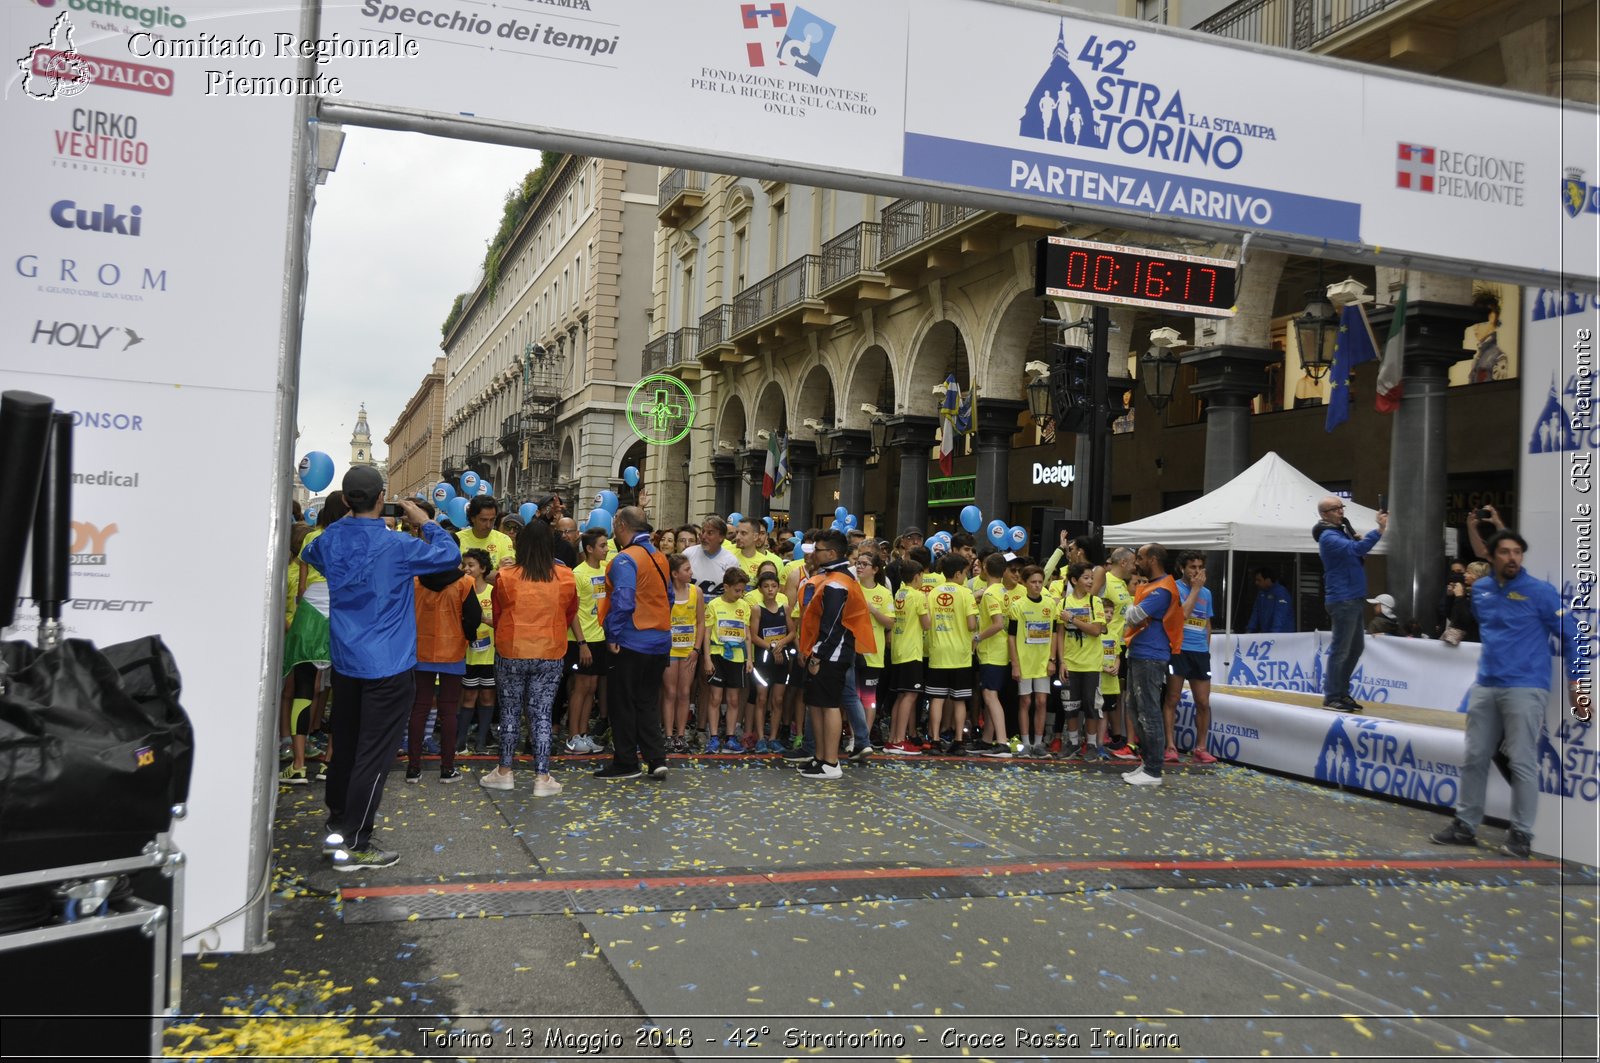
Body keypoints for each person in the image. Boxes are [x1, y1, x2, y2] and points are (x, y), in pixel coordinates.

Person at [302, 467, 460, 872]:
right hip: (387, 665)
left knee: (347, 751)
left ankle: (338, 830)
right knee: (372, 758)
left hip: (347, 661)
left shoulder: (331, 538)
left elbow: (309, 550)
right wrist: (426, 522)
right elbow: (449, 556)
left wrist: (347, 520)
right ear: (381, 498)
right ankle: (354, 843)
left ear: (344, 499)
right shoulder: (397, 545)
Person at [1428, 530, 1587, 858]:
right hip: (1486, 685)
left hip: (1526, 687)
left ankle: (1521, 834)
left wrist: (1578, 688)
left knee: (1522, 761)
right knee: (1474, 757)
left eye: (1518, 552)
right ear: (1493, 557)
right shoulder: (1482, 589)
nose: (1513, 558)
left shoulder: (1541, 592)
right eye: (1506, 552)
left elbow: (1574, 638)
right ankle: (1466, 825)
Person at [478, 520, 578, 797]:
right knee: (542, 714)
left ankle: (504, 771)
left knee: (510, 712)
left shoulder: (506, 577)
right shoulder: (565, 576)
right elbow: (570, 613)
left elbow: (498, 613)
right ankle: (542, 776)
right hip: (549, 651)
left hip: (512, 649)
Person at [595, 506, 674, 781]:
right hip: (660, 640)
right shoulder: (660, 556)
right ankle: (656, 759)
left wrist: (614, 635)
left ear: (621, 525)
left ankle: (626, 761)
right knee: (647, 702)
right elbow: (670, 597)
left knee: (623, 703)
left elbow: (624, 600)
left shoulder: (625, 560)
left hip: (631, 640)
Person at [796, 529, 876, 780]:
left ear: (831, 553)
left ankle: (830, 762)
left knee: (828, 705)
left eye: (817, 549)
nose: (813, 554)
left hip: (832, 654)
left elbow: (832, 625)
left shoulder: (837, 582)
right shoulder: (833, 578)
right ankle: (821, 758)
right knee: (818, 705)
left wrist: (817, 656)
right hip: (825, 652)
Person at [406, 562, 482, 783]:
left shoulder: (415, 580)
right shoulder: (465, 582)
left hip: (421, 649)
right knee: (449, 710)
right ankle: (447, 768)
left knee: (419, 708)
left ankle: (413, 768)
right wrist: (467, 636)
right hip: (453, 649)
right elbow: (473, 617)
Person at [1119, 543, 1185, 788]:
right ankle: (1148, 764)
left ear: (1154, 559)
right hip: (1140, 652)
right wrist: (1133, 611)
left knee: (1148, 710)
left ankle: (1154, 769)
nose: (1137, 562)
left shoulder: (1164, 588)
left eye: (1141, 557)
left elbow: (1132, 616)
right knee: (1135, 707)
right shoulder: (1153, 586)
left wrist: (1130, 609)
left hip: (1151, 655)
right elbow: (1136, 615)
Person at [1314, 496, 1387, 712]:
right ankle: (1332, 696)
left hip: (1351, 597)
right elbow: (1357, 550)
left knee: (1354, 648)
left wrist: (1357, 540)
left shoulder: (1338, 534)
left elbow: (1356, 550)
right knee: (1342, 649)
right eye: (1335, 509)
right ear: (1324, 514)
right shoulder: (1328, 537)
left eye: (1341, 507)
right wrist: (1379, 530)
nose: (1341, 511)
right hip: (1343, 598)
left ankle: (1341, 693)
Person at [1162, 552, 1217, 764]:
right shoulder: (1173, 588)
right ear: (1182, 568)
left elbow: (1206, 622)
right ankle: (1170, 745)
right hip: (1178, 650)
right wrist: (1194, 589)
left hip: (1200, 652)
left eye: (1200, 567)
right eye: (1192, 567)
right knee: (1172, 698)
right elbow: (1182, 615)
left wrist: (1206, 647)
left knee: (1203, 702)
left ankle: (1201, 747)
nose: (1196, 571)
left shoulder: (1208, 594)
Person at [924, 552, 979, 755]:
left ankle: (935, 740)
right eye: (965, 572)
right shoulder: (966, 593)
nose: (965, 576)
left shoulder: (932, 593)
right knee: (959, 699)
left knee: (936, 699)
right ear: (957, 573)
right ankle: (958, 741)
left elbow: (927, 622)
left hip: (938, 652)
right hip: (961, 654)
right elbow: (972, 624)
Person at [564, 528, 612, 754]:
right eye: (602, 546)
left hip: (600, 637)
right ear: (589, 549)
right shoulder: (578, 574)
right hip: (580, 640)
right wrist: (582, 644)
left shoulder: (605, 570)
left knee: (592, 687)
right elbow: (572, 612)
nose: (606, 549)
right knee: (580, 688)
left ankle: (584, 735)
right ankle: (572, 737)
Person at [1055, 561, 1106, 760]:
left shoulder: (1096, 602)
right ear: (1074, 580)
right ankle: (1073, 742)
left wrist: (1073, 620)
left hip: (1092, 664)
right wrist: (1061, 661)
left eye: (1091, 578)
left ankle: (1091, 745)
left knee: (1092, 706)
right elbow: (1059, 634)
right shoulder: (1064, 603)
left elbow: (1095, 630)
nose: (1090, 581)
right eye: (1086, 578)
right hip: (1071, 663)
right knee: (1070, 706)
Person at [882, 557, 930, 755]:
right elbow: (926, 624)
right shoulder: (918, 596)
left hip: (898, 649)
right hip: (911, 651)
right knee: (910, 695)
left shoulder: (899, 593)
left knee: (901, 696)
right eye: (922, 577)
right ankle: (899, 740)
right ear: (917, 576)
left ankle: (893, 739)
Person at [704, 567, 754, 753]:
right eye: (737, 590)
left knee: (733, 700)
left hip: (738, 658)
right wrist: (707, 659)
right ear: (726, 587)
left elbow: (747, 635)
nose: (740, 594)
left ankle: (731, 737)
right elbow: (707, 633)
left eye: (743, 590)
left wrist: (749, 659)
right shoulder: (714, 605)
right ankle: (714, 737)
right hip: (718, 656)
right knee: (715, 698)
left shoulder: (744, 606)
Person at [1009, 564, 1057, 758]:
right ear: (1025, 583)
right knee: (1025, 701)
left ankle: (1038, 743)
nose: (1037, 586)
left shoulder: (1050, 604)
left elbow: (1053, 633)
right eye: (1033, 582)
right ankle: (1026, 744)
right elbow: (1011, 637)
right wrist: (1015, 663)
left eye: (1040, 582)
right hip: (1024, 661)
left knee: (1042, 701)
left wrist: (1052, 659)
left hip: (1043, 662)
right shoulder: (1017, 606)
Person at [661, 552, 703, 753]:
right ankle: (668, 735)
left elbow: (701, 622)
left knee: (685, 692)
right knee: (670, 692)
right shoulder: (665, 592)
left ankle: (680, 734)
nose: (691, 572)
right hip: (669, 650)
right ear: (675, 574)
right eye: (687, 570)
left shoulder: (696, 592)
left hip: (688, 650)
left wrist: (697, 648)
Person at [458, 549, 497, 755]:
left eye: (471, 565)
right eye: (464, 565)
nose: (467, 569)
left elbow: (503, 621)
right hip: (468, 656)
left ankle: (482, 742)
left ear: (483, 568)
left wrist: (483, 619)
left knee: (487, 698)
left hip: (490, 655)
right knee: (468, 697)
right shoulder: (460, 589)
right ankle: (460, 742)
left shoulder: (493, 592)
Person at [749, 569, 793, 753]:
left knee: (778, 699)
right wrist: (771, 647)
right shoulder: (757, 609)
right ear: (760, 589)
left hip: (782, 658)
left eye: (774, 586)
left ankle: (774, 737)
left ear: (778, 589)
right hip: (763, 659)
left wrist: (780, 644)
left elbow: (792, 632)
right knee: (761, 698)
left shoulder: (785, 608)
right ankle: (760, 738)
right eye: (766, 586)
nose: (770, 590)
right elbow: (753, 635)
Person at [685, 515, 743, 599]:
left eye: (710, 533)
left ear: (721, 537)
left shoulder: (730, 561)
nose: (704, 537)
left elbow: (732, 593)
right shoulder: (688, 554)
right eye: (703, 532)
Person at [458, 496, 516, 571]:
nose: (488, 525)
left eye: (492, 520)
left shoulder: (504, 540)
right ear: (473, 518)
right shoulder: (457, 539)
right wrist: (496, 571)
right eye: (483, 520)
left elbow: (506, 575)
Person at [1244, 566, 1294, 634]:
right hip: (1268, 635)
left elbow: (1279, 616)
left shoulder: (1281, 593)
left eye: (1259, 580)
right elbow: (1255, 612)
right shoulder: (1261, 593)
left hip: (1282, 636)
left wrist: (1273, 635)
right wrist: (1249, 630)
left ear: (1268, 580)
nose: (1256, 583)